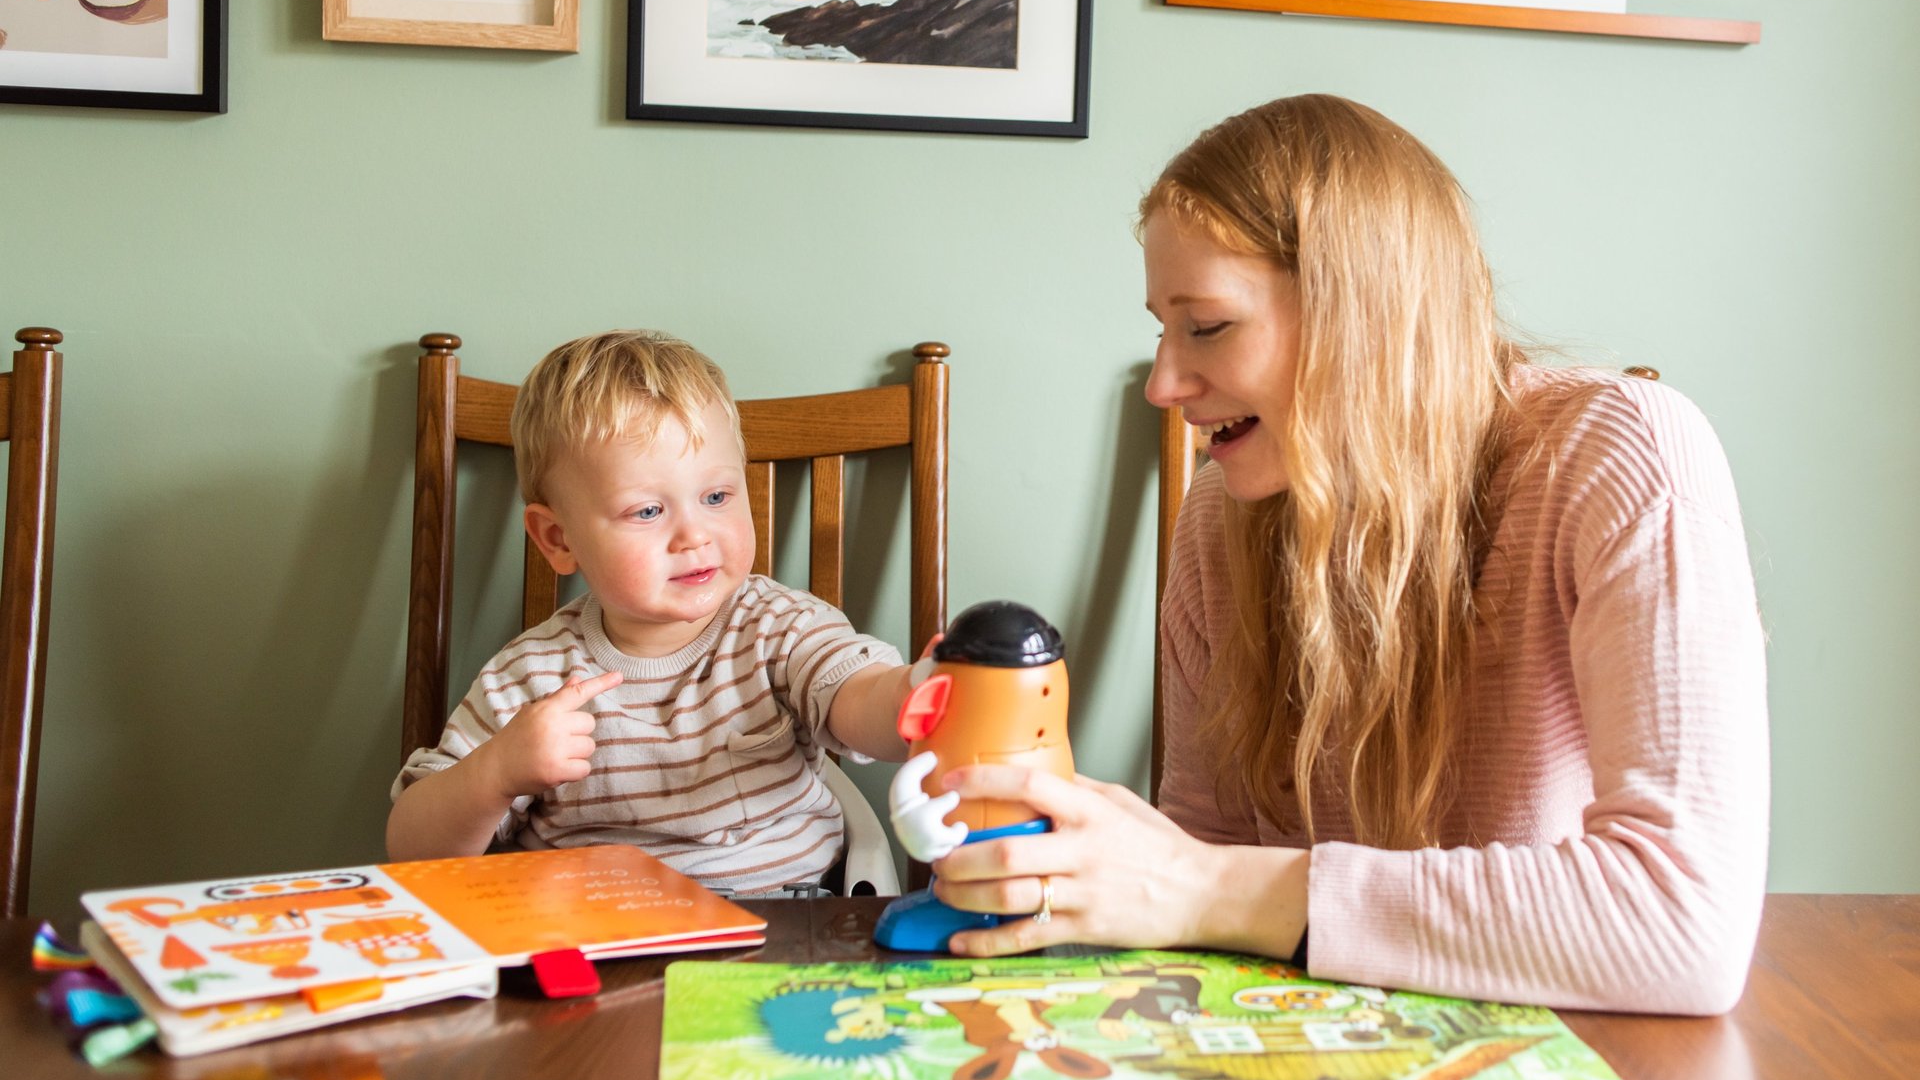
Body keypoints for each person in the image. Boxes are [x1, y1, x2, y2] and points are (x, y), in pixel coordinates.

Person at [925, 94, 1768, 1015]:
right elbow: (1194, 877)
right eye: (1160, 329)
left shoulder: (1624, 457)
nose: (1164, 382)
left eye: (1206, 325)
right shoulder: (1220, 514)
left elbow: (1687, 920)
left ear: (1364, 315)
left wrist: (1206, 886)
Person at [387, 330, 921, 895]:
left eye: (716, 498)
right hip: (595, 944)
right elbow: (413, 852)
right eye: (646, 511)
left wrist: (916, 697)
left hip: (780, 927)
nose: (694, 536)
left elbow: (857, 697)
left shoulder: (777, 627)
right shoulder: (532, 678)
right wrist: (493, 774)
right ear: (557, 538)